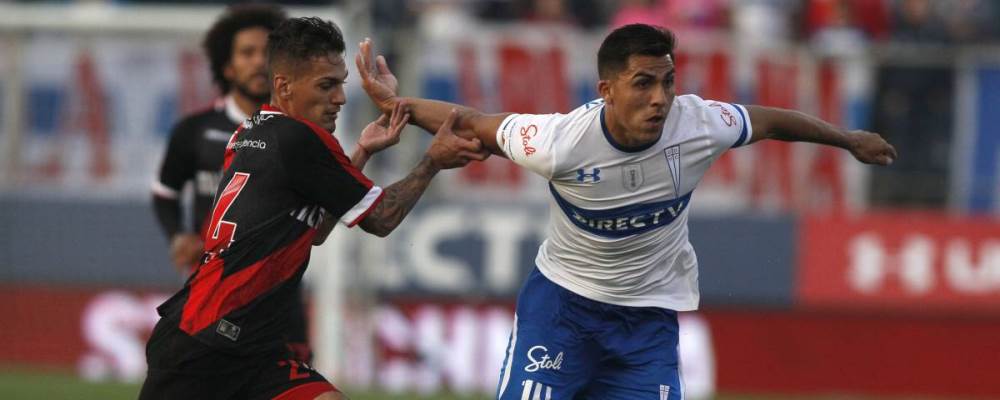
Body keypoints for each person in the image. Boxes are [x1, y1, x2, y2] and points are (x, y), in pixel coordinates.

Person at [356, 23, 897, 399]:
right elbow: (471, 122)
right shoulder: (558, 142)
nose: (660, 98)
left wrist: (847, 139)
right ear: (607, 90)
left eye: (667, 81)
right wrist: (395, 105)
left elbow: (773, 121)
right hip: (562, 310)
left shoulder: (699, 124)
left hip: (647, 319)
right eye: (643, 83)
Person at [140, 17, 488, 400]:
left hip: (251, 349)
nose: (340, 98)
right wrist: (432, 161)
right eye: (326, 85)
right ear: (284, 86)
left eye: (341, 84)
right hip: (203, 346)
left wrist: (363, 151)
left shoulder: (252, 130)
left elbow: (316, 230)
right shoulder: (300, 138)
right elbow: (381, 217)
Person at [151, 5, 320, 362]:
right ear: (227, 66)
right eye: (247, 53)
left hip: (279, 292)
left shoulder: (301, 134)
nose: (259, 62)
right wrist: (178, 236)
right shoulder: (194, 131)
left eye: (267, 53)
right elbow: (164, 194)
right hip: (213, 292)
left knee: (294, 378)